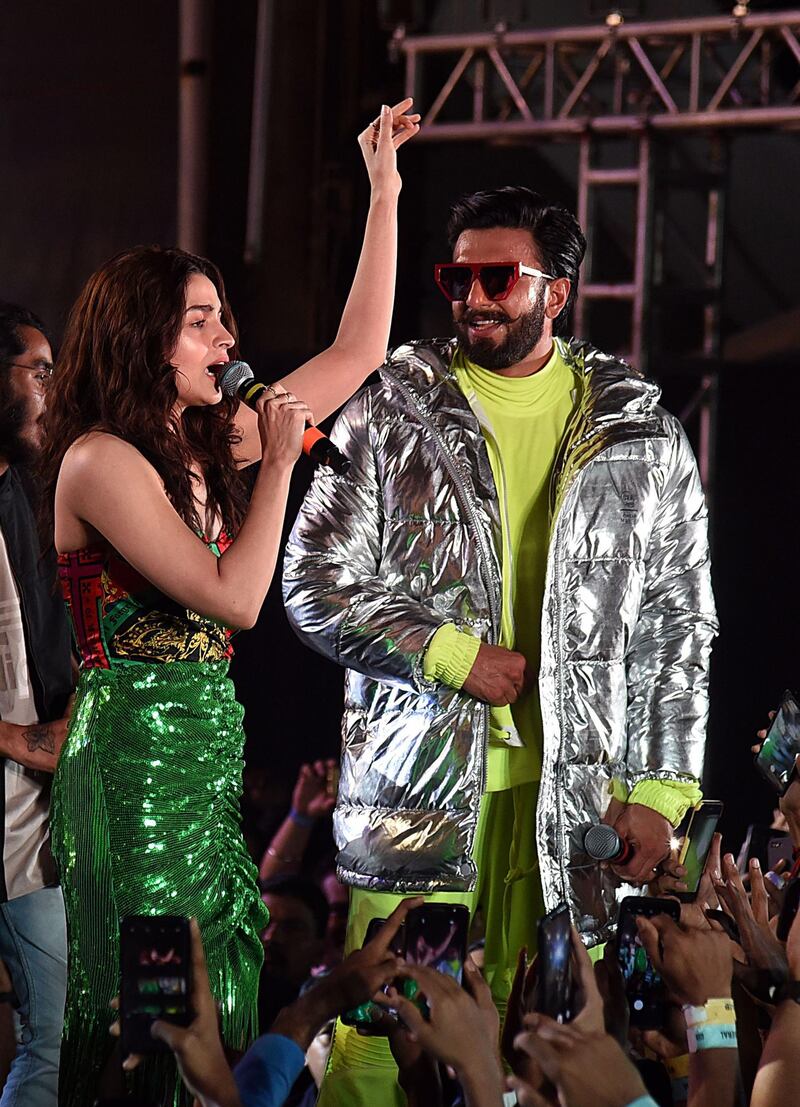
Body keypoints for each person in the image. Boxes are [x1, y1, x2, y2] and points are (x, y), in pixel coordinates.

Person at [283, 185, 717, 1103]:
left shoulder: (640, 432)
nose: (471, 297)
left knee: (551, 1040)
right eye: (456, 276)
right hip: (418, 806)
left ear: (555, 292)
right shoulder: (392, 411)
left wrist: (665, 792)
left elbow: (680, 626)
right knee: (378, 1039)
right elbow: (311, 584)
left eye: (495, 277)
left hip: (574, 809)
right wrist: (447, 653)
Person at [40, 100, 419, 1106]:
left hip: (208, 751)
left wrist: (381, 192)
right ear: (144, 337)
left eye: (224, 317)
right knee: (155, 1007)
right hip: (133, 757)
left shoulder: (211, 445)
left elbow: (357, 353)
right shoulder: (99, 461)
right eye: (198, 320)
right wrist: (283, 463)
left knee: (227, 980)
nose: (225, 337)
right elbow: (236, 599)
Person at [0, 303, 73, 1105]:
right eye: (38, 371)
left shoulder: (27, 490)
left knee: (57, 1038)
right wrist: (15, 737)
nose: (52, 393)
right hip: (16, 788)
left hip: (32, 820)